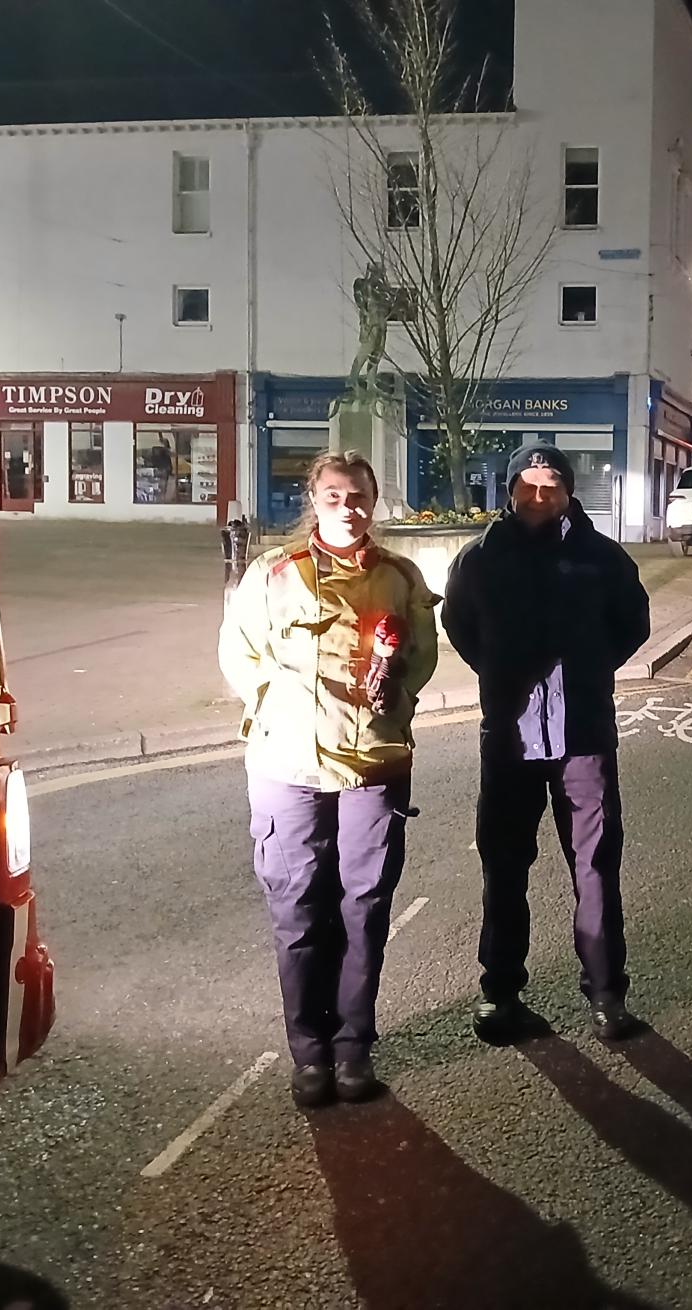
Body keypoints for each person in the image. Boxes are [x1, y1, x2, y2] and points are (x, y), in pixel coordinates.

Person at [219, 450, 439, 1108]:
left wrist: (388, 687)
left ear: (375, 502)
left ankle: (352, 1050)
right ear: (314, 501)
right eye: (336, 495)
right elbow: (241, 656)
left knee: (364, 911)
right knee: (297, 913)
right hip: (288, 768)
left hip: (373, 766)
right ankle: (308, 1054)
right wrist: (281, 716)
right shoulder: (273, 574)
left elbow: (421, 663)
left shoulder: (400, 577)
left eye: (360, 495)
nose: (349, 507)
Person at [442, 442, 651, 1044]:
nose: (538, 497)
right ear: (510, 492)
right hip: (509, 739)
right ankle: (501, 997)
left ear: (567, 493)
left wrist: (589, 670)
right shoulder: (479, 560)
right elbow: (460, 626)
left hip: (583, 738)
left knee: (595, 868)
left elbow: (631, 623)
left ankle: (608, 995)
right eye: (527, 487)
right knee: (504, 868)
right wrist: (504, 676)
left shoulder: (600, 557)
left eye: (550, 487)